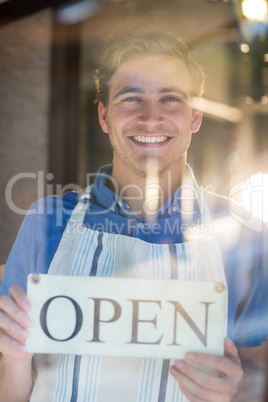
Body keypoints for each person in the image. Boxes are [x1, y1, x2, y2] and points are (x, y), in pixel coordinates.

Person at [0, 32, 267, 402]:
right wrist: (13, 359)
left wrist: (236, 392)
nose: (150, 117)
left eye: (170, 98)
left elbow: (259, 375)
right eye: (131, 98)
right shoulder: (46, 222)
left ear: (195, 117)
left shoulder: (248, 236)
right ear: (104, 116)